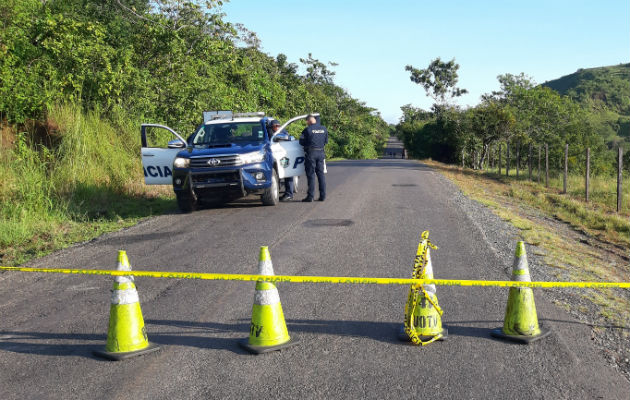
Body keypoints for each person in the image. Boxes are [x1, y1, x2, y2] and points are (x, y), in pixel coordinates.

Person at [299, 114, 328, 202]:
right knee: (321, 175)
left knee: (311, 175)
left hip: (311, 153)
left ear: (308, 121)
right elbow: (326, 141)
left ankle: (310, 196)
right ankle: (323, 196)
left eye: (306, 121)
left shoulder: (307, 130)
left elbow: (301, 142)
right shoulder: (324, 129)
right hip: (321, 152)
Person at [268, 119, 295, 202]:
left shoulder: (283, 132)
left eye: (278, 126)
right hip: (273, 157)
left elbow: (288, 139)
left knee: (287, 173)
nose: (277, 127)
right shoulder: (268, 132)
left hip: (283, 156)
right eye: (275, 126)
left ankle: (289, 194)